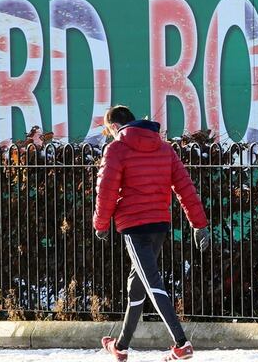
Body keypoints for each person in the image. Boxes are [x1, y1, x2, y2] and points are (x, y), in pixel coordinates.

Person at [93, 105, 211, 361]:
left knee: (152, 282)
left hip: (134, 227)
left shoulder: (116, 149)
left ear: (114, 126)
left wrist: (100, 224)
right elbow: (185, 187)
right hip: (159, 224)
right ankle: (121, 346)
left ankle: (181, 343)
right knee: (137, 285)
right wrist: (199, 224)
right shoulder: (164, 148)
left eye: (108, 130)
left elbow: (106, 192)